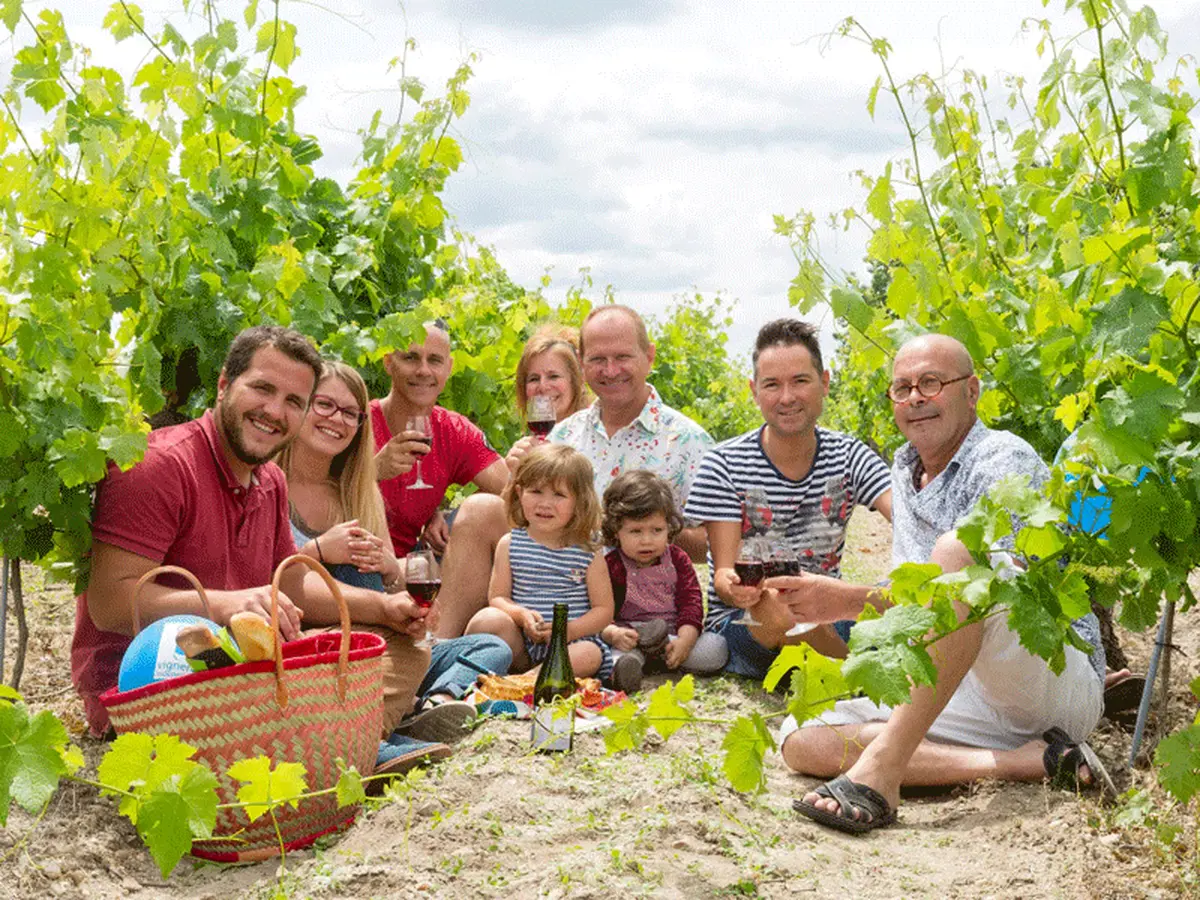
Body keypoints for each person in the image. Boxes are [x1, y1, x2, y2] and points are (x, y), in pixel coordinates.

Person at [775, 334, 1108, 833]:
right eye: (902, 387)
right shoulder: (906, 469)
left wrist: (845, 601)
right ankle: (1029, 762)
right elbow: (918, 602)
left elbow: (979, 591)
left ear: (971, 392)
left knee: (958, 552)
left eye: (931, 383)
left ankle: (884, 771)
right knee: (801, 738)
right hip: (963, 688)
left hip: (1045, 677)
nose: (914, 397)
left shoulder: (1003, 458)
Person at [70, 327, 436, 780]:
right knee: (316, 680)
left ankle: (335, 740)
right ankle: (347, 749)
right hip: (157, 685)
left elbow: (294, 584)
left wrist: (384, 607)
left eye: (293, 401)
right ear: (225, 385)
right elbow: (109, 604)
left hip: (245, 668)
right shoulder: (160, 466)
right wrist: (230, 604)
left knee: (403, 647)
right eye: (262, 388)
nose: (274, 411)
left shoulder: (270, 481)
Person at [435, 305, 714, 639]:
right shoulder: (563, 435)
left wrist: (639, 525)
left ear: (649, 357)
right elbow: (527, 524)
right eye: (597, 360)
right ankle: (439, 647)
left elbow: (711, 544)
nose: (610, 370)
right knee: (480, 508)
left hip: (627, 600)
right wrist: (516, 480)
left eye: (622, 356)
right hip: (552, 588)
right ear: (582, 365)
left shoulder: (688, 441)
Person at [277, 360, 513, 749]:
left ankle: (428, 706)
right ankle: (385, 734)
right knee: (389, 658)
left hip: (381, 645)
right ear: (300, 406)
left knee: (490, 647)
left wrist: (392, 572)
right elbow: (272, 579)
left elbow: (392, 582)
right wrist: (318, 550)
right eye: (324, 405)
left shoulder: (358, 491)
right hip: (320, 643)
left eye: (350, 413)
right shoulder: (271, 484)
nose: (337, 419)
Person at [683, 319, 893, 680]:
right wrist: (737, 588)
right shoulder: (724, 464)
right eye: (772, 385)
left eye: (800, 381)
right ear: (754, 391)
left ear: (824, 383)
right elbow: (723, 573)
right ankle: (854, 681)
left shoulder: (849, 455)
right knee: (782, 603)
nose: (787, 397)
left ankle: (831, 668)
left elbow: (907, 517)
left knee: (897, 602)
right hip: (748, 626)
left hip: (828, 613)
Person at [464, 444, 615, 681]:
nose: (545, 503)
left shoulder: (587, 549)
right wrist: (521, 615)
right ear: (519, 492)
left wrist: (568, 631)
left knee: (590, 653)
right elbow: (498, 598)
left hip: (570, 645)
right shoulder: (511, 543)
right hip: (523, 643)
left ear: (579, 502)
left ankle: (530, 680)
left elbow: (604, 610)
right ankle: (472, 671)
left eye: (559, 495)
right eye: (536, 492)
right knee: (487, 619)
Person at [371, 320, 509, 559]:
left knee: (484, 511)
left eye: (434, 360)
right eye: (411, 358)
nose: (423, 370)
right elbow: (315, 497)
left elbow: (512, 489)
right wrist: (371, 471)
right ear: (388, 363)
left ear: (449, 368)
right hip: (359, 562)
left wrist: (447, 516)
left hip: (415, 564)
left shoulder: (454, 430)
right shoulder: (358, 423)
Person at [600, 471, 728, 693]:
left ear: (669, 527)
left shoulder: (677, 560)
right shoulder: (611, 565)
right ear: (616, 531)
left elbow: (691, 603)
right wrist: (612, 633)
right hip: (629, 639)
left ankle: (663, 653)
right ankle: (629, 669)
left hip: (671, 637)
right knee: (609, 657)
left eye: (657, 530)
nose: (647, 540)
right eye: (635, 531)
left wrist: (686, 641)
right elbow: (599, 609)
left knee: (716, 648)